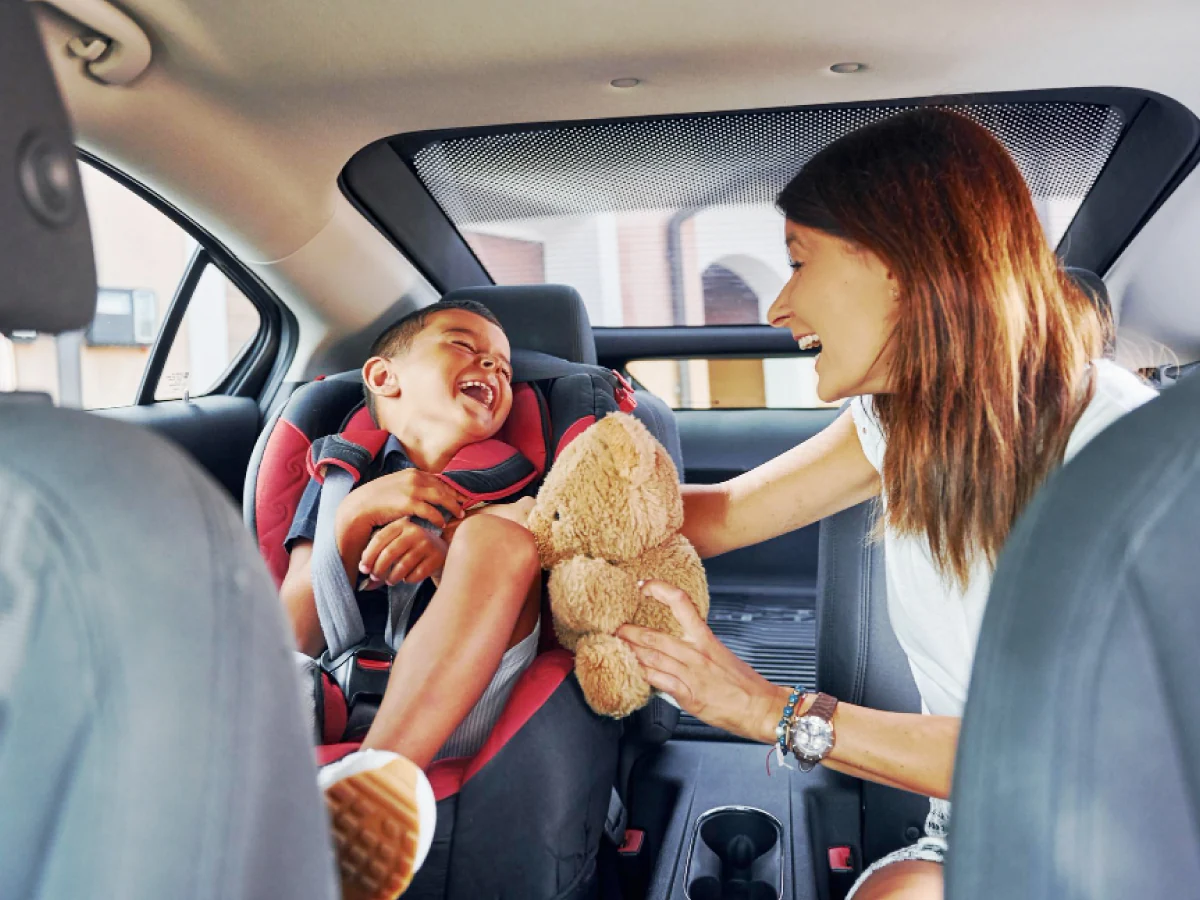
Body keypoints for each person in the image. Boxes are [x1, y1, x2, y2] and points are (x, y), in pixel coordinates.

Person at [618, 108, 1157, 900]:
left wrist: (767, 707)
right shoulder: (900, 418)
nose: (777, 308)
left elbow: (1081, 754)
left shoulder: (1121, 453)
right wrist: (521, 523)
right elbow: (726, 514)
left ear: (902, 263)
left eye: (799, 261)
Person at [280, 298, 542, 899]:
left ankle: (378, 783)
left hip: (466, 701)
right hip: (331, 689)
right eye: (462, 344)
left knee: (501, 539)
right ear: (382, 377)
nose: (494, 369)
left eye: (503, 367)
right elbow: (287, 641)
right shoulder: (340, 481)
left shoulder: (525, 481)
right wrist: (349, 523)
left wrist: (453, 546)